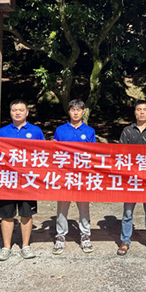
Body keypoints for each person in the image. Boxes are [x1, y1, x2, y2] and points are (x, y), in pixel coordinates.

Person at [0, 99, 45, 261]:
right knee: (6, 215)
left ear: (27, 112)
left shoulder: (36, 131)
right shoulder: (2, 132)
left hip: (27, 180)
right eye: (14, 110)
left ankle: (25, 246)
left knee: (26, 214)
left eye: (21, 110)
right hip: (7, 180)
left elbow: (44, 153)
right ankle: (6, 247)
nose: (18, 113)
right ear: (10, 112)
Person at [117, 100, 146, 256]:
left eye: (145, 109)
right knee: (127, 213)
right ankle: (125, 240)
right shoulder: (127, 131)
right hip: (131, 179)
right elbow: (121, 155)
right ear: (135, 112)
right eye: (139, 109)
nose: (142, 112)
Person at [53, 99, 96, 254]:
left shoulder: (89, 131)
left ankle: (85, 235)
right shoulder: (60, 130)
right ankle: (60, 236)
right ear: (69, 111)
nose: (76, 113)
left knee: (84, 207)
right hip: (64, 175)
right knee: (62, 207)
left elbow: (94, 154)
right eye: (73, 110)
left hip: (82, 176)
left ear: (83, 112)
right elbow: (54, 151)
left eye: (78, 110)